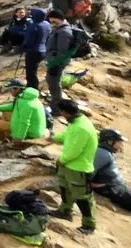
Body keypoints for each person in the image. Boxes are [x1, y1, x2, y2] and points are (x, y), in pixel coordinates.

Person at [48, 100, 98, 235]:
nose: (61, 114)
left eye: (61, 112)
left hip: (79, 168)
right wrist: (55, 138)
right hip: (69, 165)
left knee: (83, 198)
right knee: (65, 189)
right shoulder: (76, 122)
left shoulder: (81, 127)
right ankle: (64, 211)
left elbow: (76, 150)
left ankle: (89, 225)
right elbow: (69, 135)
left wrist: (62, 160)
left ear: (65, 112)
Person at [0, 79, 47, 143]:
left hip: (31, 133)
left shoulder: (26, 103)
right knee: (5, 112)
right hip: (35, 127)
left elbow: (24, 122)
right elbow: (13, 106)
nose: (10, 91)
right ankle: (8, 133)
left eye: (11, 89)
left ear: (18, 89)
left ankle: (3, 141)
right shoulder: (26, 97)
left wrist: (19, 138)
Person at [44, 10, 75, 112]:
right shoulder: (59, 29)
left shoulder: (63, 32)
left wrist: (55, 64)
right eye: (51, 21)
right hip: (54, 61)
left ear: (61, 19)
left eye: (54, 21)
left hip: (56, 63)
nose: (52, 23)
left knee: (54, 84)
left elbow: (62, 52)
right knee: (52, 82)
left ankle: (57, 109)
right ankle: (56, 104)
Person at [20, 8, 51, 89]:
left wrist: (23, 47)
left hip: (33, 51)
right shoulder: (47, 24)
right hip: (43, 50)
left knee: (30, 72)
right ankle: (33, 87)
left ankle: (32, 88)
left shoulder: (34, 26)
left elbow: (29, 40)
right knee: (34, 70)